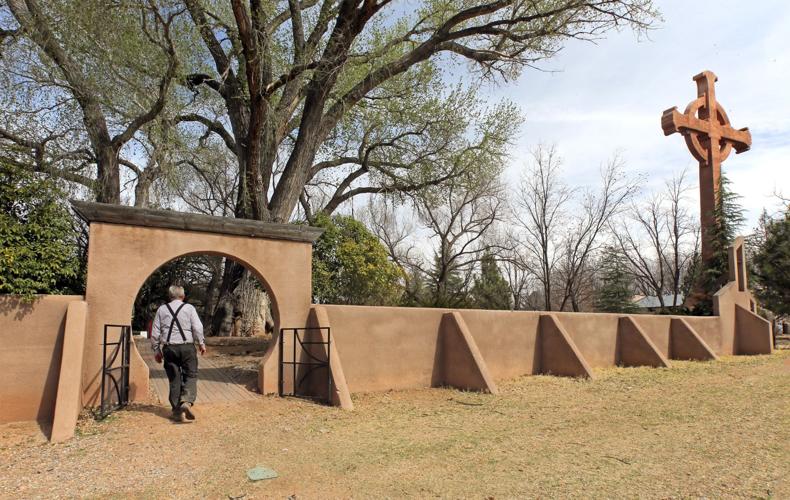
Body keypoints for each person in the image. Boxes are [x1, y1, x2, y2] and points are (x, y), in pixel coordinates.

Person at [150, 285, 206, 422]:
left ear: (170, 296)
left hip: (169, 348)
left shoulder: (162, 310)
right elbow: (198, 327)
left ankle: (176, 412)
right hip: (187, 347)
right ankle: (186, 401)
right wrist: (202, 343)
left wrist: (156, 350)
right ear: (183, 296)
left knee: (174, 378)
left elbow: (155, 332)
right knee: (191, 375)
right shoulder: (189, 308)